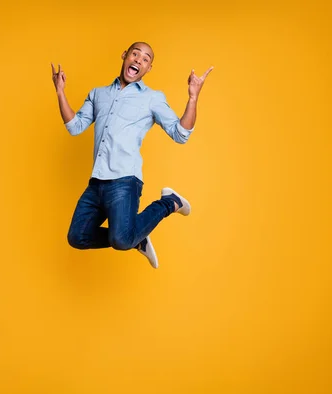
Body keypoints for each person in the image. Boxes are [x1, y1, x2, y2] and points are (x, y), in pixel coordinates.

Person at [51, 42, 212, 268]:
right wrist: (60, 92)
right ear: (124, 55)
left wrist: (193, 98)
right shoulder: (98, 94)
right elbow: (75, 126)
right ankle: (137, 235)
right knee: (77, 237)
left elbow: (180, 133)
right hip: (96, 182)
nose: (138, 60)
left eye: (145, 59)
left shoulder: (152, 98)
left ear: (148, 69)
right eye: (135, 54)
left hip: (124, 181)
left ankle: (169, 202)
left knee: (121, 240)